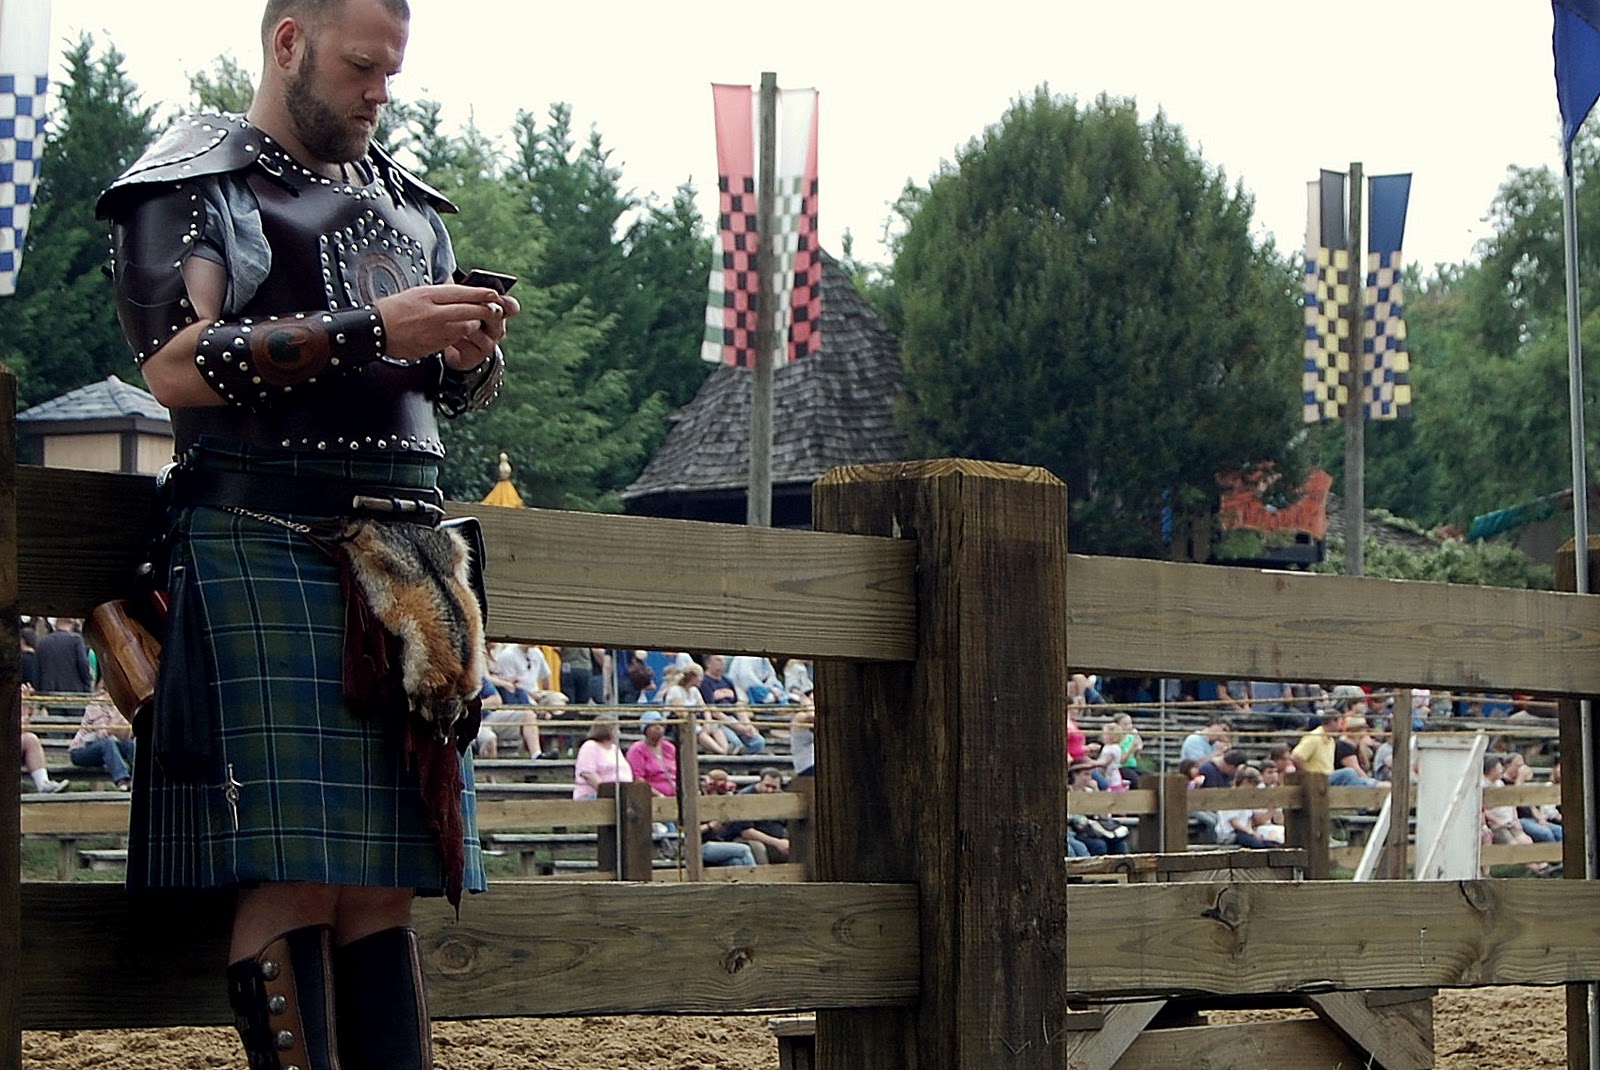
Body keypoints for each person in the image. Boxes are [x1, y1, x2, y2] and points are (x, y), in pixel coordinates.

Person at [97, 2, 520, 1065]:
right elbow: (175, 366)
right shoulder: (196, 182)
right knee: (293, 875)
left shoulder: (409, 207)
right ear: (289, 43)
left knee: (384, 883)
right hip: (262, 533)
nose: (381, 91)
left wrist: (463, 357)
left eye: (392, 71)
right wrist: (379, 328)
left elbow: (433, 396)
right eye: (361, 65)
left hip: (411, 560)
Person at [722, 767, 791, 863]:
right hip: (745, 839)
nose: (769, 790)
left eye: (774, 787)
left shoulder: (783, 798)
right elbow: (746, 832)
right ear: (760, 782)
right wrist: (777, 842)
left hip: (774, 838)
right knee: (758, 848)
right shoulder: (745, 797)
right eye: (767, 786)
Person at [69, 693, 135, 790]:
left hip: (104, 749)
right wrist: (118, 721)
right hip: (80, 750)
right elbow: (102, 735)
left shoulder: (117, 709)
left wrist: (129, 727)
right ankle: (122, 780)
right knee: (107, 743)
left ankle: (140, 777)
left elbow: (126, 737)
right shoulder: (94, 707)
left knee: (130, 745)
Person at [35, 617, 94, 716]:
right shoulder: (76, 640)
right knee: (74, 724)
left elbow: (37, 671)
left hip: (49, 696)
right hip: (75, 696)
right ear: (72, 624)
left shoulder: (42, 642)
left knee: (53, 724)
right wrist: (87, 689)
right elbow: (83, 666)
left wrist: (40, 697)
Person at [573, 717, 633, 801]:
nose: (619, 733)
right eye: (616, 729)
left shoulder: (615, 748)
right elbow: (588, 774)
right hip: (593, 796)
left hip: (622, 794)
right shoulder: (590, 746)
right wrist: (607, 792)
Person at [626, 710, 678, 798]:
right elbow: (638, 780)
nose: (658, 727)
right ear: (645, 729)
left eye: (661, 725)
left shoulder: (669, 748)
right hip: (650, 799)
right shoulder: (637, 749)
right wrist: (658, 795)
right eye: (653, 725)